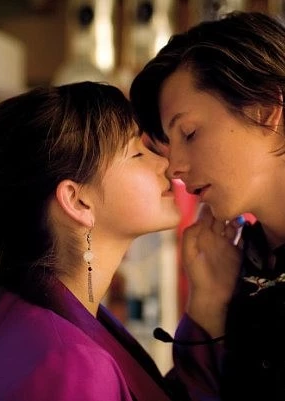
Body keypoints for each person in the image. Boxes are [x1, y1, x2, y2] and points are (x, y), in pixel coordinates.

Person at [0, 81, 238, 401]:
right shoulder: (70, 364)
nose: (167, 163)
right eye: (138, 153)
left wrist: (206, 301)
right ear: (77, 200)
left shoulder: (28, 303)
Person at [130, 11, 285, 401]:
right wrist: (209, 304)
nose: (174, 168)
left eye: (189, 133)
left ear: (265, 107)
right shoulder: (242, 260)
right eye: (169, 146)